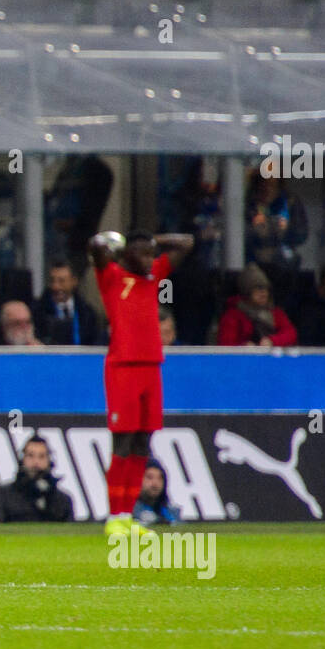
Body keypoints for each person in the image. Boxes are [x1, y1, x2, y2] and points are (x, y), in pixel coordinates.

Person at [89, 229, 194, 538]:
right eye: (143, 255)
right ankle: (114, 516)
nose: (150, 260)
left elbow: (187, 243)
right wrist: (120, 243)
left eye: (151, 255)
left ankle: (129, 515)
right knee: (121, 442)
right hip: (123, 368)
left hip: (152, 368)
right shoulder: (112, 277)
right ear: (126, 256)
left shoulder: (154, 276)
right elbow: (95, 247)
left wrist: (152, 241)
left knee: (142, 442)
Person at [0, 436, 72, 522]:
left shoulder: (63, 500)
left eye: (41, 456)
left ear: (49, 461)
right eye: (30, 456)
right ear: (23, 459)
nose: (36, 462)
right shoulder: (3, 495)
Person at [217, 263, 297, 347]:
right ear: (246, 292)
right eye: (258, 289)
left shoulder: (276, 313)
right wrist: (243, 347)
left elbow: (291, 334)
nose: (263, 293)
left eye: (266, 289)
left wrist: (272, 341)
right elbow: (226, 344)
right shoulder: (233, 316)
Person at [33, 258, 103, 345]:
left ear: (74, 281)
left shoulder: (87, 313)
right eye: (52, 281)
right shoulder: (38, 312)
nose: (56, 286)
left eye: (61, 281)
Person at [133, 458, 181, 526]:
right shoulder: (128, 513)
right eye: (149, 477)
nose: (155, 483)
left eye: (160, 478)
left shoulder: (172, 513)